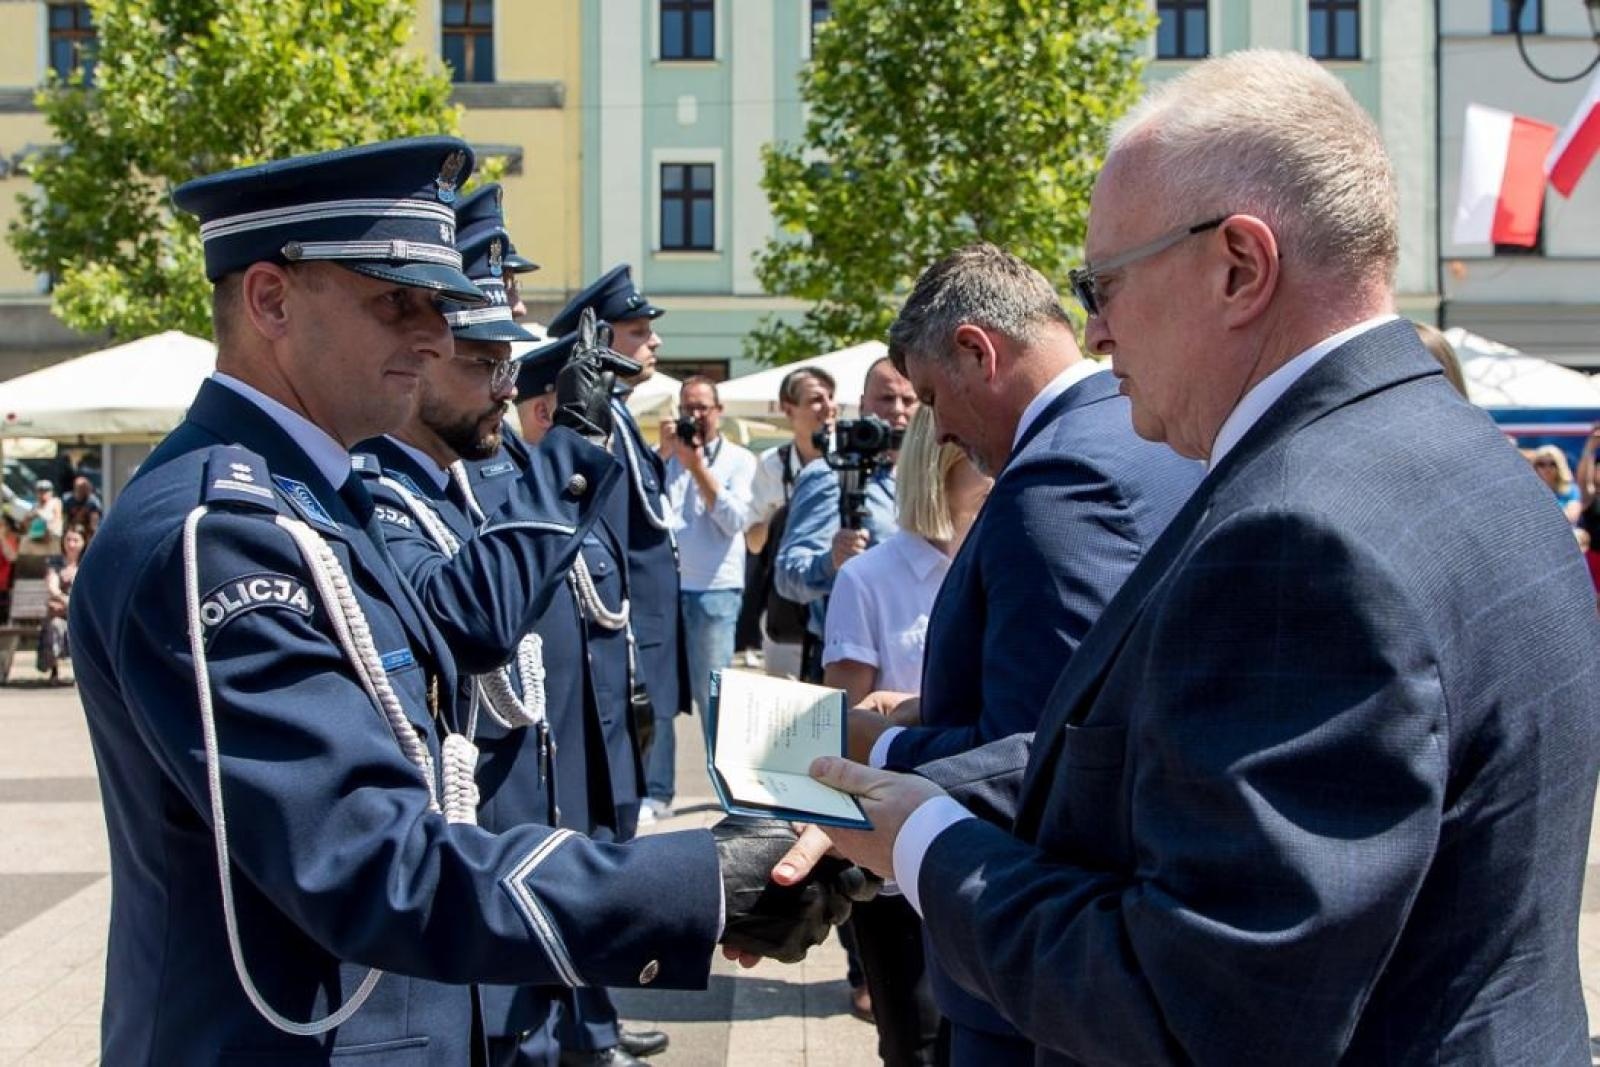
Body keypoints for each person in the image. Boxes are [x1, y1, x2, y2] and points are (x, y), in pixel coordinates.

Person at [784, 50, 1600, 1063]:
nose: (1093, 328)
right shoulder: (1456, 449)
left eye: (1104, 282)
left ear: (1239, 267)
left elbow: (1192, 1004)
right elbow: (1156, 759)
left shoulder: (1303, 540)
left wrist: (922, 842)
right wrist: (914, 778)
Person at [69, 137, 864, 1066]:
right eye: (396, 300)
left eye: (440, 306)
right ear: (270, 300)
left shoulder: (320, 499)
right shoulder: (220, 532)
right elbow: (365, 860)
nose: (437, 337)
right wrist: (698, 881)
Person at [840, 244, 1203, 1064]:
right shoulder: (1138, 433)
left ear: (978, 349)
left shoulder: (1058, 482)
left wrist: (878, 746)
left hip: (1028, 970)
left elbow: (1043, 758)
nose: (939, 432)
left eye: (932, 397)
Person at [816, 406, 988, 1067]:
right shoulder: (870, 577)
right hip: (895, 842)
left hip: (988, 830)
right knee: (915, 1039)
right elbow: (844, 721)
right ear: (943, 458)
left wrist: (914, 706)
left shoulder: (1008, 558)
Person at [546, 266, 686, 819]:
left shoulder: (622, 415)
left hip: (644, 612)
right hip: (622, 616)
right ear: (600, 339)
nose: (654, 341)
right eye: (637, 331)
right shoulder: (603, 420)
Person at [822, 406, 988, 704]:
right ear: (939, 462)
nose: (1000, 467)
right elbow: (846, 725)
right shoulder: (864, 580)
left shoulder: (1003, 565)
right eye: (981, 455)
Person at [775, 357, 918, 680]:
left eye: (909, 399)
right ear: (863, 404)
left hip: (917, 664)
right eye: (886, 398)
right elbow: (787, 576)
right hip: (851, 664)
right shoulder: (830, 475)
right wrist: (831, 562)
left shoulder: (931, 477)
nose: (898, 409)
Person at [658, 376, 757, 815]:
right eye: (687, 407)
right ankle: (657, 791)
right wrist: (665, 457)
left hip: (715, 591)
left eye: (701, 407)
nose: (694, 416)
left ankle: (728, 792)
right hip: (664, 590)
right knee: (659, 695)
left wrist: (698, 467)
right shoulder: (666, 458)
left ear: (719, 411)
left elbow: (736, 521)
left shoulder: (738, 460)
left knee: (715, 699)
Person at [746, 366, 838, 679]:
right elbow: (753, 542)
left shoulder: (850, 460)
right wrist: (786, 514)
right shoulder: (773, 464)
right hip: (787, 613)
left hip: (833, 609)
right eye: (815, 399)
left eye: (830, 397)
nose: (828, 407)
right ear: (789, 409)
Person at [37, 524, 83, 682]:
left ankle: (82, 674)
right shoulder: (55, 562)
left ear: (82, 542)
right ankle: (54, 670)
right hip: (61, 613)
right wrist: (70, 602)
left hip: (79, 616)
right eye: (68, 539)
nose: (71, 544)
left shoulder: (87, 563)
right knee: (55, 624)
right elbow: (53, 587)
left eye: (75, 540)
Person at [1527, 444, 1581, 524]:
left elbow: (1571, 518)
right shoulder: (1528, 491)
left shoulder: (1571, 490)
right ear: (1534, 467)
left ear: (1560, 466)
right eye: (1541, 464)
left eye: (1553, 464)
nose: (1547, 468)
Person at [19, 478, 62, 557]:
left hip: (50, 541)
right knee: (24, 541)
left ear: (51, 492)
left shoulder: (55, 502)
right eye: (40, 491)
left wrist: (39, 515)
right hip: (35, 540)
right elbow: (24, 523)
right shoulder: (35, 506)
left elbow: (57, 521)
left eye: (46, 490)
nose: (43, 493)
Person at [61, 475, 103, 542]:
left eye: (84, 488)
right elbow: (65, 519)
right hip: (72, 530)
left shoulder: (93, 502)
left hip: (88, 532)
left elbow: (95, 524)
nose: (81, 490)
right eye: (79, 488)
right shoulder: (68, 500)